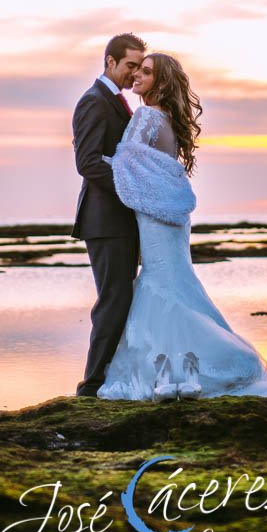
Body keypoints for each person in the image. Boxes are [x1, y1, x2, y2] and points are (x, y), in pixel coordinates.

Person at [94, 52, 267, 401]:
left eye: (147, 71)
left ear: (163, 82)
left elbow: (127, 165)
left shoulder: (145, 116)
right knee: (177, 282)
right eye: (137, 69)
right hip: (174, 220)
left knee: (161, 285)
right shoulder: (169, 119)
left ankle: (172, 373)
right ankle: (182, 370)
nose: (138, 75)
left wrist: (107, 164)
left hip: (155, 217)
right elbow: (158, 168)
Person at [71, 33, 147, 397]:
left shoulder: (114, 101)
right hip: (105, 221)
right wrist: (132, 188)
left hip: (121, 220)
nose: (134, 74)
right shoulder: (93, 101)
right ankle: (93, 384)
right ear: (110, 62)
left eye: (139, 67)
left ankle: (108, 377)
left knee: (121, 298)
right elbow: (87, 163)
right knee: (113, 300)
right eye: (130, 66)